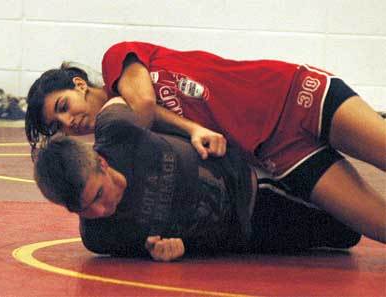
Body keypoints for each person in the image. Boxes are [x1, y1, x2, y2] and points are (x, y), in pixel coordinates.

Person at [25, 41, 386, 243]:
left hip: (290, 94)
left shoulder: (116, 60)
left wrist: (191, 128)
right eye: (58, 125)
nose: (68, 121)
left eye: (62, 106)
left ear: (78, 85)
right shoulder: (125, 147)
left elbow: (145, 105)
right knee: (377, 226)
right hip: (278, 154)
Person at [33, 99, 361, 261]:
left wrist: (193, 128)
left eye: (98, 195)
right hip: (245, 233)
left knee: (352, 220)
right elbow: (153, 258)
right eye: (85, 209)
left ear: (102, 163)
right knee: (346, 235)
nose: (102, 210)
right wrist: (174, 250)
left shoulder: (115, 129)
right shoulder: (100, 238)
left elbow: (134, 90)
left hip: (254, 176)